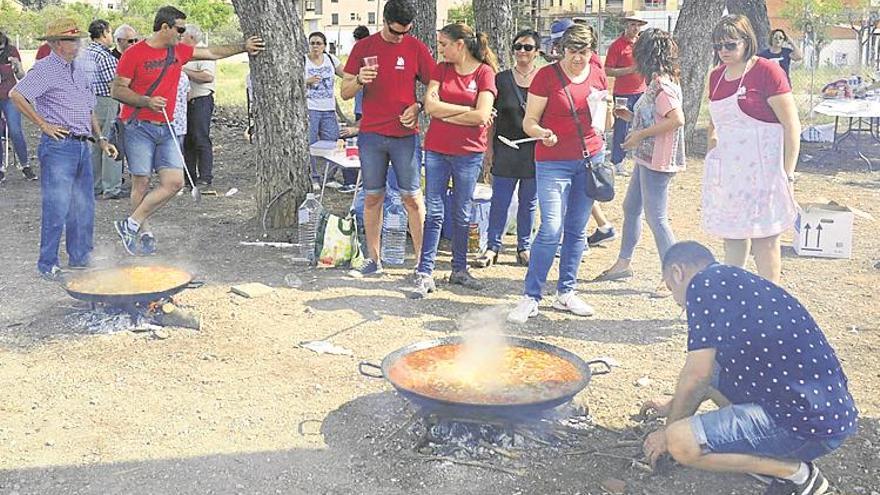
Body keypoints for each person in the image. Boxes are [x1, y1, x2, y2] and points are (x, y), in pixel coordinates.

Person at [641, 241, 857, 495]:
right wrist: (673, 403)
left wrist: (667, 432)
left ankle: (795, 473)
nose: (679, 303)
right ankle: (763, 452)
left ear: (678, 273)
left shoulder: (702, 284)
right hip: (829, 415)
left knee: (680, 442)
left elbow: (697, 374)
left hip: (803, 425)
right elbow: (710, 371)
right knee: (716, 367)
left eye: (671, 289)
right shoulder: (735, 280)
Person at [110, 6, 265, 256]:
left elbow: (212, 52)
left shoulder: (178, 51)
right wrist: (146, 101)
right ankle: (143, 230)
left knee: (174, 183)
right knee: (141, 183)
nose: (182, 35)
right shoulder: (134, 54)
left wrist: (243, 46)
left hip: (167, 126)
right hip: (138, 126)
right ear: (165, 28)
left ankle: (130, 224)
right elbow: (117, 91)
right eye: (179, 29)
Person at [508, 24, 607, 323]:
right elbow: (530, 122)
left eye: (585, 52)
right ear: (561, 50)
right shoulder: (546, 76)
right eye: (573, 52)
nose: (579, 59)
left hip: (589, 159)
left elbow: (605, 121)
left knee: (577, 229)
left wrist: (611, 110)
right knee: (551, 227)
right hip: (552, 161)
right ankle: (531, 296)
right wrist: (542, 132)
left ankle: (566, 292)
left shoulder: (598, 72)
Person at [9, 18, 118, 280]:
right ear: (57, 44)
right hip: (59, 147)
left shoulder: (78, 69)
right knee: (56, 206)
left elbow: (88, 107)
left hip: (82, 145)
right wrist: (43, 124)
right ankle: (48, 264)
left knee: (84, 205)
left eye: (77, 38)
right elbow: (16, 94)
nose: (77, 43)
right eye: (71, 39)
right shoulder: (46, 69)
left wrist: (101, 138)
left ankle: (80, 257)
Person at [340, 0, 433, 278]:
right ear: (384, 21)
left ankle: (421, 264)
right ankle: (374, 260)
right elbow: (345, 91)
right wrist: (359, 79)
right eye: (394, 32)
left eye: (404, 32)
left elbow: (435, 84)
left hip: (405, 136)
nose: (399, 37)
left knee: (413, 199)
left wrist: (418, 106)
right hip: (371, 136)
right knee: (372, 198)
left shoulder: (416, 48)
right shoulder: (363, 48)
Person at [704, 15, 799, 284]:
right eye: (718, 45)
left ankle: (771, 303)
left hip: (765, 173)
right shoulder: (716, 78)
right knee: (732, 236)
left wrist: (787, 173)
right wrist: (714, 153)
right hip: (731, 174)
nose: (724, 51)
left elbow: (791, 126)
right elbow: (715, 123)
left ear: (747, 42)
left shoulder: (768, 71)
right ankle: (736, 298)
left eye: (731, 45)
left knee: (765, 240)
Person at [409, 23, 497, 298]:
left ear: (460, 45)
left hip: (469, 153)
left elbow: (482, 116)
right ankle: (425, 272)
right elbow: (431, 107)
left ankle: (459, 269)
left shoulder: (485, 73)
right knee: (434, 212)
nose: (440, 49)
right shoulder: (441, 69)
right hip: (436, 150)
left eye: (444, 44)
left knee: (462, 212)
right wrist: (465, 111)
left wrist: (447, 113)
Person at [594, 28, 685, 291]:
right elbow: (654, 117)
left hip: (658, 159)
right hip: (647, 157)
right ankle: (624, 263)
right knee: (631, 208)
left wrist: (638, 135)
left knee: (657, 218)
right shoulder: (657, 81)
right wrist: (627, 116)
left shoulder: (662, 85)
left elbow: (677, 120)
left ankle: (673, 276)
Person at [547, 18, 617, 249]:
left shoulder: (593, 67)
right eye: (566, 47)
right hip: (567, 148)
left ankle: (580, 240)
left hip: (589, 142)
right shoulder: (556, 69)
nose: (574, 55)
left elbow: (605, 116)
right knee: (577, 196)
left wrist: (607, 106)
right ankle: (600, 228)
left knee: (582, 195)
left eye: (581, 49)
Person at [473, 28, 540, 270]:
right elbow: (492, 118)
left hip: (533, 148)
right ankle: (492, 246)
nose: (522, 51)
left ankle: (524, 247)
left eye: (528, 47)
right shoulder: (500, 79)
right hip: (505, 147)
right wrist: (488, 151)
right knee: (499, 200)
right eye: (518, 46)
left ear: (537, 52)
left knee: (529, 202)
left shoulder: (543, 80)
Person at [605, 12, 647, 177]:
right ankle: (618, 161)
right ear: (626, 25)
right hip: (623, 93)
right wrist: (629, 70)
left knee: (642, 125)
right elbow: (607, 70)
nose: (635, 28)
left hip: (642, 92)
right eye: (632, 24)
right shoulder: (617, 46)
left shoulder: (642, 44)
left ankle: (640, 159)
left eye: (638, 25)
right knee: (621, 128)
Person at [85, 19, 124, 200]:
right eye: (110, 33)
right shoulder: (105, 57)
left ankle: (95, 185)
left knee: (95, 143)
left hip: (89, 101)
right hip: (107, 101)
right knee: (111, 140)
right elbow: (113, 86)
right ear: (104, 33)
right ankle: (112, 187)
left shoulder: (83, 53)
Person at [306, 31, 344, 189]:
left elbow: (347, 74)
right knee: (311, 144)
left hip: (328, 109)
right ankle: (313, 178)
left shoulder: (330, 59)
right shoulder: (303, 61)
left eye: (318, 43)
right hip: (310, 108)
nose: (315, 46)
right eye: (312, 43)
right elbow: (291, 80)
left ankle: (329, 177)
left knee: (333, 142)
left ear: (324, 46)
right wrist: (307, 81)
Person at [182, 24, 216, 187]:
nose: (180, 39)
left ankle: (205, 176)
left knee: (200, 137)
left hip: (201, 99)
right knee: (187, 139)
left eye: (183, 36)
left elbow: (207, 77)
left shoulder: (203, 53)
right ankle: (189, 176)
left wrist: (184, 71)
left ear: (192, 38)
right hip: (185, 102)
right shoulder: (184, 53)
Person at [0, 31, 36, 182]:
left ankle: (25, 165)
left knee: (15, 131)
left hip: (10, 95)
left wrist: (17, 66)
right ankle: (0, 168)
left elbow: (21, 76)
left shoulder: (12, 50)